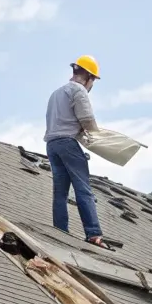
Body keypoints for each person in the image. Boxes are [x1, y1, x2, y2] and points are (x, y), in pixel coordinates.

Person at [44, 55, 107, 247]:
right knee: (83, 189)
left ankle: (60, 231)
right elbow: (87, 120)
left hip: (52, 145)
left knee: (60, 192)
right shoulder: (79, 91)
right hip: (67, 144)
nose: (92, 85)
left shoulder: (56, 93)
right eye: (93, 81)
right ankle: (93, 234)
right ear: (88, 77)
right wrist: (99, 139)